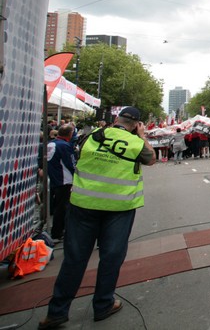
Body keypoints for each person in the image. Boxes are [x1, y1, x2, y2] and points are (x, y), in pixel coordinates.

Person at [39, 107, 157, 330]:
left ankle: (57, 312)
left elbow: (78, 156)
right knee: (111, 256)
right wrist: (141, 136)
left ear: (116, 119)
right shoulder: (135, 142)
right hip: (119, 207)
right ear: (136, 125)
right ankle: (103, 304)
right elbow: (151, 159)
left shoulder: (92, 136)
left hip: (83, 204)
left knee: (74, 258)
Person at [46, 124, 77, 242]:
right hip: (64, 179)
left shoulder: (51, 143)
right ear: (70, 134)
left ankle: (57, 231)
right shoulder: (65, 146)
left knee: (58, 206)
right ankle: (57, 232)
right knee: (62, 207)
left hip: (55, 178)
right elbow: (71, 163)